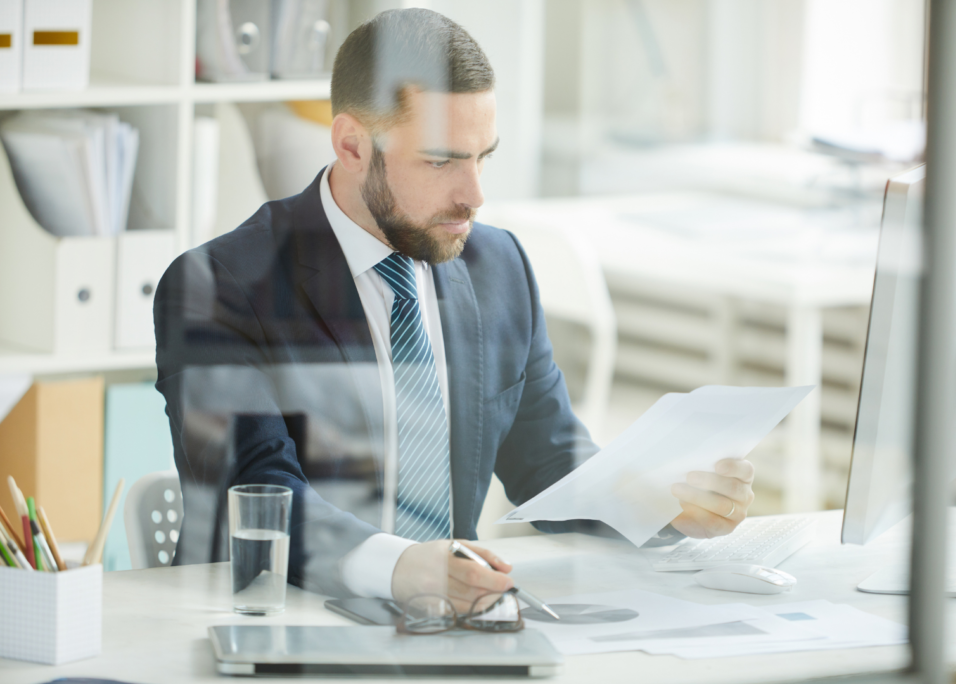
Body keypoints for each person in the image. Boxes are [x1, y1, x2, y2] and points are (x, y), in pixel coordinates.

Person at [154, 8, 755, 611]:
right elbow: (257, 491)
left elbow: (547, 461)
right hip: (271, 617)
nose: (474, 195)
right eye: (441, 162)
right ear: (352, 144)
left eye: (482, 157)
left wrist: (659, 502)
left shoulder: (497, 266)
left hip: (446, 625)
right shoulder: (218, 286)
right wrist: (401, 567)